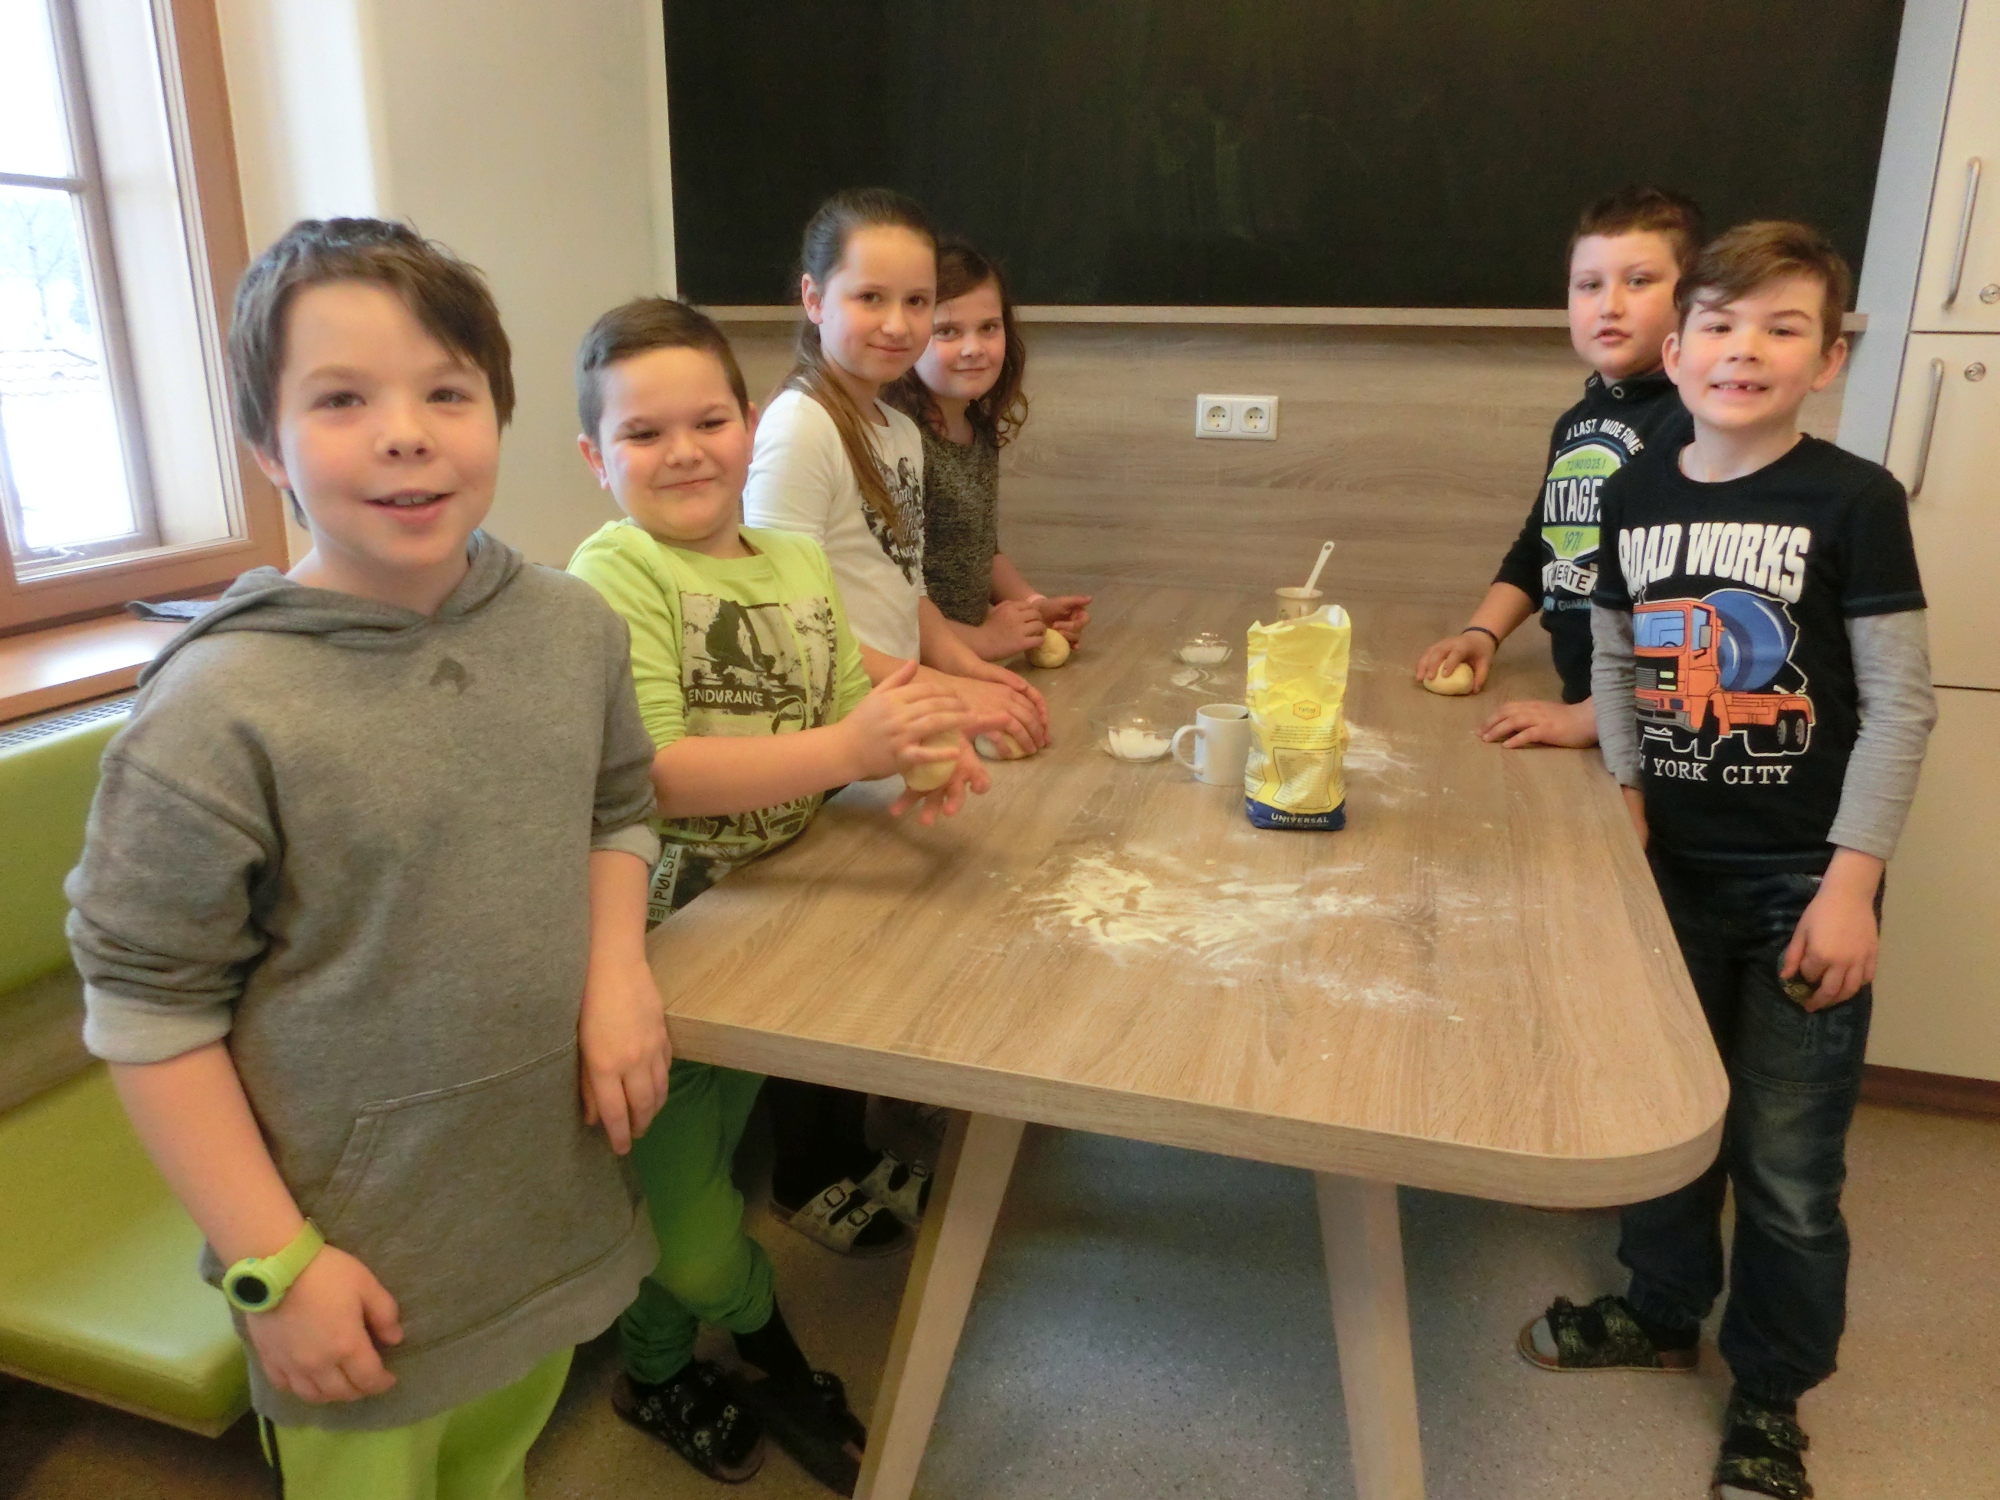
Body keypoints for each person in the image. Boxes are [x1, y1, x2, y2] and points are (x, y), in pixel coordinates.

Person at [63, 218, 668, 1499]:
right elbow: (148, 1009)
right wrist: (272, 1265)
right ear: (265, 446)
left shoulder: (572, 626)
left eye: (446, 392)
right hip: (352, 1252)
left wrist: (617, 975)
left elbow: (617, 806)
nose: (406, 432)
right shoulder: (215, 708)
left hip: (535, 1192)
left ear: (497, 413)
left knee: (497, 1460)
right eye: (341, 399)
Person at [1521, 222, 1937, 1500]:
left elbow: (1900, 705)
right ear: (1676, 346)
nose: (1741, 349)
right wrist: (1626, 794)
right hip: (1668, 877)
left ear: (1827, 358)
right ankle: (1657, 1312)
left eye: (1779, 326)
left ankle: (1768, 1394)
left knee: (1787, 1166)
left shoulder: (1853, 500)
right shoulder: (1636, 489)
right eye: (1716, 323)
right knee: (1665, 1123)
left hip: (1805, 885)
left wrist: (1851, 885)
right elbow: (1612, 651)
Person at [568, 297, 991, 1492]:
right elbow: (653, 770)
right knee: (695, 1235)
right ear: (595, 458)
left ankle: (657, 1371)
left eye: (707, 420)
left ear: (748, 424)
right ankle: (762, 1331)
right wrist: (847, 752)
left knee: (700, 1177)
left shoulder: (794, 561)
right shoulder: (615, 570)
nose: (684, 450)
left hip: (766, 936)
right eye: (643, 433)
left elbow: (839, 690)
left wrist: (916, 745)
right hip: (657, 956)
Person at [743, 188, 1046, 1252]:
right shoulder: (799, 426)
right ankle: (804, 1170)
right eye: (870, 297)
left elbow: (898, 587)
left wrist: (966, 671)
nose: (898, 322)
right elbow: (786, 609)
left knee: (861, 947)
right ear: (812, 298)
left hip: (875, 714)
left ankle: (853, 1139)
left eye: (916, 301)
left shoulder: (894, 427)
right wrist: (932, 694)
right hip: (815, 725)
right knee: (808, 957)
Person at [1415, 186, 1703, 747]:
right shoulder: (1576, 423)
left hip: (1656, 723)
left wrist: (1594, 718)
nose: (1609, 305)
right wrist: (1482, 632)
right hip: (1586, 698)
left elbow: (1694, 598)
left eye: (1638, 281)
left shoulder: (1694, 424)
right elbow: (1541, 544)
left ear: (1692, 299)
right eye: (1589, 285)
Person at [884, 235, 1090, 661]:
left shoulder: (977, 430)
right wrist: (987, 640)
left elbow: (981, 549)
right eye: (947, 331)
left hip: (970, 657)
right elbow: (889, 594)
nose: (973, 348)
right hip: (917, 664)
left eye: (989, 328)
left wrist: (1033, 607)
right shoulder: (899, 444)